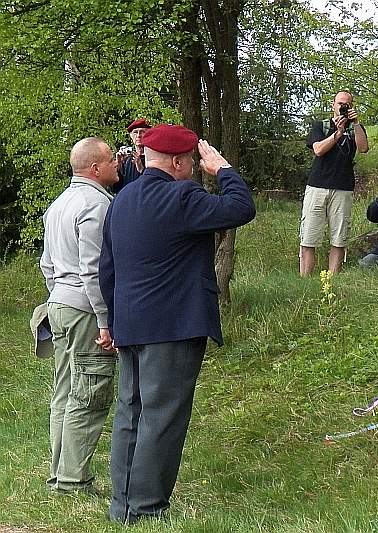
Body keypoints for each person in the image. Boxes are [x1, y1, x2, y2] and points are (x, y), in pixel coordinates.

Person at [99, 124, 256, 524]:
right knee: (162, 417)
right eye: (190, 161)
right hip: (173, 325)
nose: (193, 167)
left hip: (132, 323)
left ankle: (123, 507)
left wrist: (115, 323)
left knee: (129, 414)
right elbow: (241, 208)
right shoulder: (183, 196)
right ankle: (148, 508)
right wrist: (222, 168)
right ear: (177, 161)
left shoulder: (122, 199)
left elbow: (107, 270)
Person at [40, 137, 119, 495]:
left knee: (65, 391)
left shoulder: (59, 203)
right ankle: (73, 481)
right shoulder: (95, 205)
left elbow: (46, 264)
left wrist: (57, 294)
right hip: (85, 310)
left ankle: (60, 473)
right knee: (89, 393)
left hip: (59, 303)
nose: (118, 164)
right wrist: (105, 321)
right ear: (95, 168)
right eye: (112, 160)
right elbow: (93, 270)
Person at [300, 91, 369, 276]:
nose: (343, 107)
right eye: (340, 103)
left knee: (339, 237)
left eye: (347, 104)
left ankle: (333, 278)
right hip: (317, 186)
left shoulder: (356, 127)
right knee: (309, 236)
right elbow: (318, 150)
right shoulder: (320, 125)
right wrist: (337, 134)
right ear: (333, 104)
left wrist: (355, 123)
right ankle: (305, 279)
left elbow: (363, 148)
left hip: (343, 187)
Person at [111, 118, 151, 194]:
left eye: (142, 132)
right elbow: (115, 189)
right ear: (131, 136)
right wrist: (117, 168)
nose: (139, 135)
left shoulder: (153, 159)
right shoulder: (126, 160)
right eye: (135, 132)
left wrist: (142, 170)